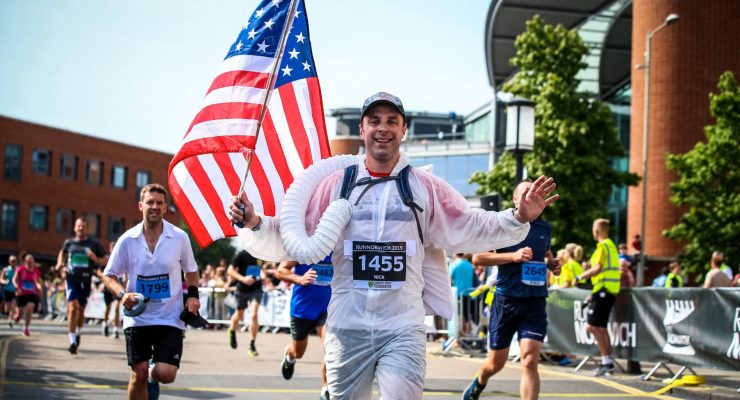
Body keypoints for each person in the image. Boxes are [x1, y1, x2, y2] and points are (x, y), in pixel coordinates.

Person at [229, 92, 558, 400]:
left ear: (404, 130)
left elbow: (470, 225)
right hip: (347, 326)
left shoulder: (425, 187)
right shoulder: (335, 183)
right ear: (362, 129)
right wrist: (255, 222)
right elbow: (294, 238)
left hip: (402, 328)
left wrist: (517, 217)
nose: (382, 128)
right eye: (374, 121)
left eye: (391, 121)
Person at [463, 180, 560, 400]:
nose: (530, 195)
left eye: (533, 192)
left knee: (529, 359)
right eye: (525, 192)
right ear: (515, 199)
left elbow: (546, 253)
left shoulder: (544, 228)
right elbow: (478, 258)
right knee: (496, 363)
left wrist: (552, 264)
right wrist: (512, 256)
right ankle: (480, 381)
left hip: (535, 301)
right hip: (506, 300)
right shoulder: (502, 223)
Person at [102, 183, 200, 400]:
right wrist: (122, 294)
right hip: (138, 318)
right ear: (140, 206)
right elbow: (109, 276)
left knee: (166, 374)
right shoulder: (127, 240)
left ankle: (152, 377)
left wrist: (193, 295)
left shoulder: (179, 237)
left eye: (159, 203)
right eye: (150, 202)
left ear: (165, 208)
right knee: (138, 373)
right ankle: (146, 378)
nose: (154, 206)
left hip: (170, 317)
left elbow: (191, 271)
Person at [276, 258, 332, 400]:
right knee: (298, 353)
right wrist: (300, 278)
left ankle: (326, 388)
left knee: (330, 347)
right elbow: (281, 271)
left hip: (326, 308)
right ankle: (290, 356)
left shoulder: (336, 246)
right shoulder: (302, 247)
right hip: (302, 309)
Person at [574, 218, 621, 376]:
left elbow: (598, 269)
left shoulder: (602, 246)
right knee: (601, 327)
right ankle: (607, 362)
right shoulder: (611, 246)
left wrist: (580, 276)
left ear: (597, 230)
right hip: (608, 290)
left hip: (604, 290)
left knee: (592, 326)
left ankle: (606, 362)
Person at [56, 217, 107, 354]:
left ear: (87, 228)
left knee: (80, 311)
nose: (80, 228)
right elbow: (62, 253)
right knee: (72, 308)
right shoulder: (69, 243)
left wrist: (95, 259)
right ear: (74, 228)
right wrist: (60, 264)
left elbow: (106, 259)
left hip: (85, 280)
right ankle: (72, 341)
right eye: (78, 226)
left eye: (83, 226)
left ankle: (78, 332)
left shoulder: (93, 243)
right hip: (71, 278)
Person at [226, 250, 262, 356]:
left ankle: (252, 345)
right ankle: (232, 329)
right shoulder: (242, 254)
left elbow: (263, 268)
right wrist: (243, 279)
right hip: (242, 289)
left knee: (254, 315)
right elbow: (230, 270)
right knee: (239, 315)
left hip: (257, 288)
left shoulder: (262, 253)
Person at [99, 240, 124, 339]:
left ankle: (116, 330)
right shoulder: (106, 260)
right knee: (108, 308)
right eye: (112, 247)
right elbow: (99, 271)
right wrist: (104, 279)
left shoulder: (121, 259)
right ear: (109, 249)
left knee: (117, 308)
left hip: (118, 287)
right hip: (108, 287)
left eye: (115, 247)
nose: (114, 249)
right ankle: (105, 323)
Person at [13, 254, 42, 336]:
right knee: (20, 313)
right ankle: (18, 316)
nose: (30, 262)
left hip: (32, 294)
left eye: (31, 260)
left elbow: (37, 282)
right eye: (28, 261)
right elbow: (14, 280)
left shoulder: (36, 271)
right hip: (21, 293)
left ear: (34, 262)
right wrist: (16, 287)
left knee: (30, 307)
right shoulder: (20, 269)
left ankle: (26, 328)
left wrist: (39, 287)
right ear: (25, 261)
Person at [449, 253, 475, 336]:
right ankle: (467, 335)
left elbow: (448, 279)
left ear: (455, 254)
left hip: (457, 294)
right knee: (467, 315)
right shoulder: (470, 265)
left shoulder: (454, 265)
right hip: (469, 293)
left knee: (459, 316)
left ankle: (461, 337)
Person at [1, 255, 18, 326]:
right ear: (9, 262)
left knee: (13, 305)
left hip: (15, 290)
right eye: (12, 261)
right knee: (7, 308)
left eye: (15, 261)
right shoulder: (5, 270)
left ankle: (10, 320)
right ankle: (14, 315)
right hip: (7, 290)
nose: (13, 262)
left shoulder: (18, 270)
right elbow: (1, 279)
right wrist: (4, 282)